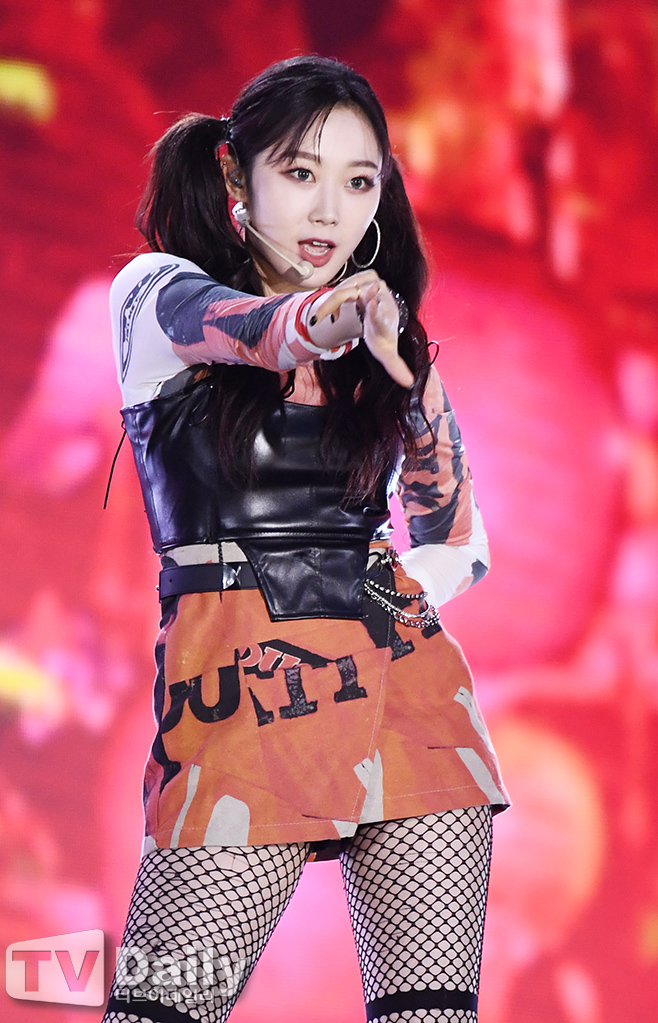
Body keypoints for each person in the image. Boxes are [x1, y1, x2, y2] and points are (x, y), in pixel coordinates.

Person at [103, 55, 509, 1023]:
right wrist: (342, 314)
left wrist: (381, 604)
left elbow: (457, 538)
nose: (330, 210)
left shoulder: (390, 349)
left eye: (359, 182)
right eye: (300, 172)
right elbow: (265, 331)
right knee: (157, 1009)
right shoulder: (158, 296)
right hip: (242, 699)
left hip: (409, 705)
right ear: (235, 176)